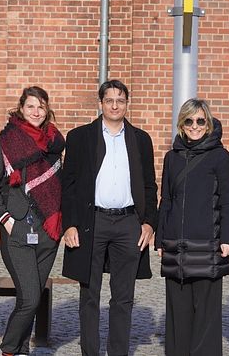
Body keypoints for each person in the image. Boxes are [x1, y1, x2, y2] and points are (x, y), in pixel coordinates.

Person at [61, 79, 158, 356]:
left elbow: (150, 185)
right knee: (89, 294)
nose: (115, 105)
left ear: (127, 103)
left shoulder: (141, 139)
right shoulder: (80, 137)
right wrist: (69, 224)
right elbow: (68, 185)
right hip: (93, 222)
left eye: (120, 100)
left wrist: (149, 222)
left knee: (123, 297)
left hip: (129, 223)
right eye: (109, 100)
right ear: (100, 103)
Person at [0, 86, 65, 356]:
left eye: (41, 106)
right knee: (30, 298)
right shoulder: (6, 142)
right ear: (21, 108)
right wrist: (6, 219)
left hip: (47, 232)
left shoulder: (55, 144)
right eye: (31, 106)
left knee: (29, 298)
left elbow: (61, 184)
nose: (36, 111)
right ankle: (9, 349)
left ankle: (20, 350)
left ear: (47, 110)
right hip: (17, 231)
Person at [156, 98, 229, 356]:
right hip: (176, 246)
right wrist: (160, 239)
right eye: (189, 120)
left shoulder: (220, 157)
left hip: (209, 244)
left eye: (200, 120)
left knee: (206, 316)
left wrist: (228, 238)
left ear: (209, 123)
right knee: (177, 316)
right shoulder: (172, 157)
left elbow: (228, 200)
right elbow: (166, 200)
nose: (195, 126)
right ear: (182, 124)